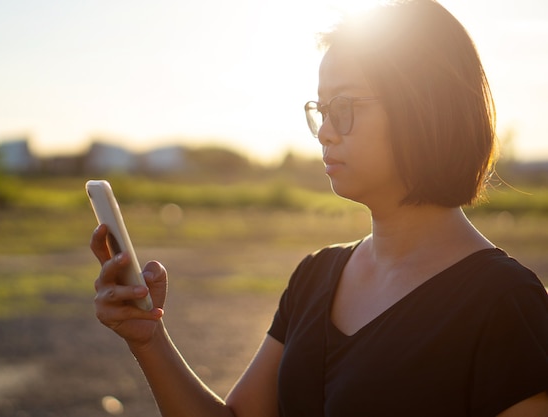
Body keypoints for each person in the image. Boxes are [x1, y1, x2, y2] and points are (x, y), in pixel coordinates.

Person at [91, 1, 548, 416]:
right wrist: (148, 338)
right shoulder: (315, 276)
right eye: (322, 108)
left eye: (345, 106)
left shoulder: (505, 304)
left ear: (424, 107)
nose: (326, 132)